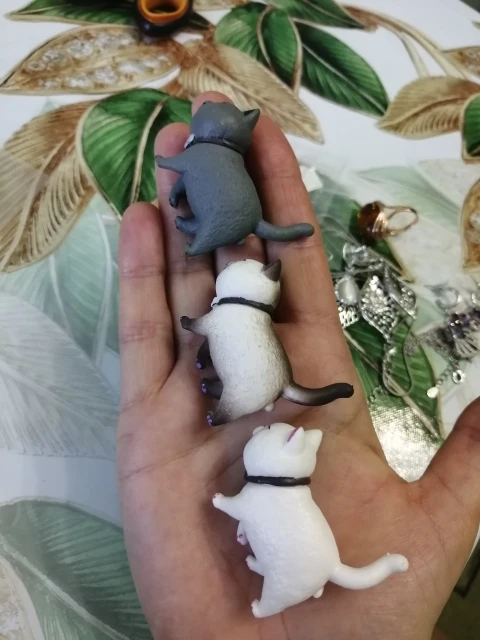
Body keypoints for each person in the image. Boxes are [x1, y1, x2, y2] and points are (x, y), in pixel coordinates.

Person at [116, 91, 479, 640]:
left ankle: (273, 584)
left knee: (239, 389)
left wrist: (200, 330)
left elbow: (208, 326)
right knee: (243, 380)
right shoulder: (241, 314)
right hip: (261, 378)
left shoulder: (233, 312)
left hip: (258, 384)